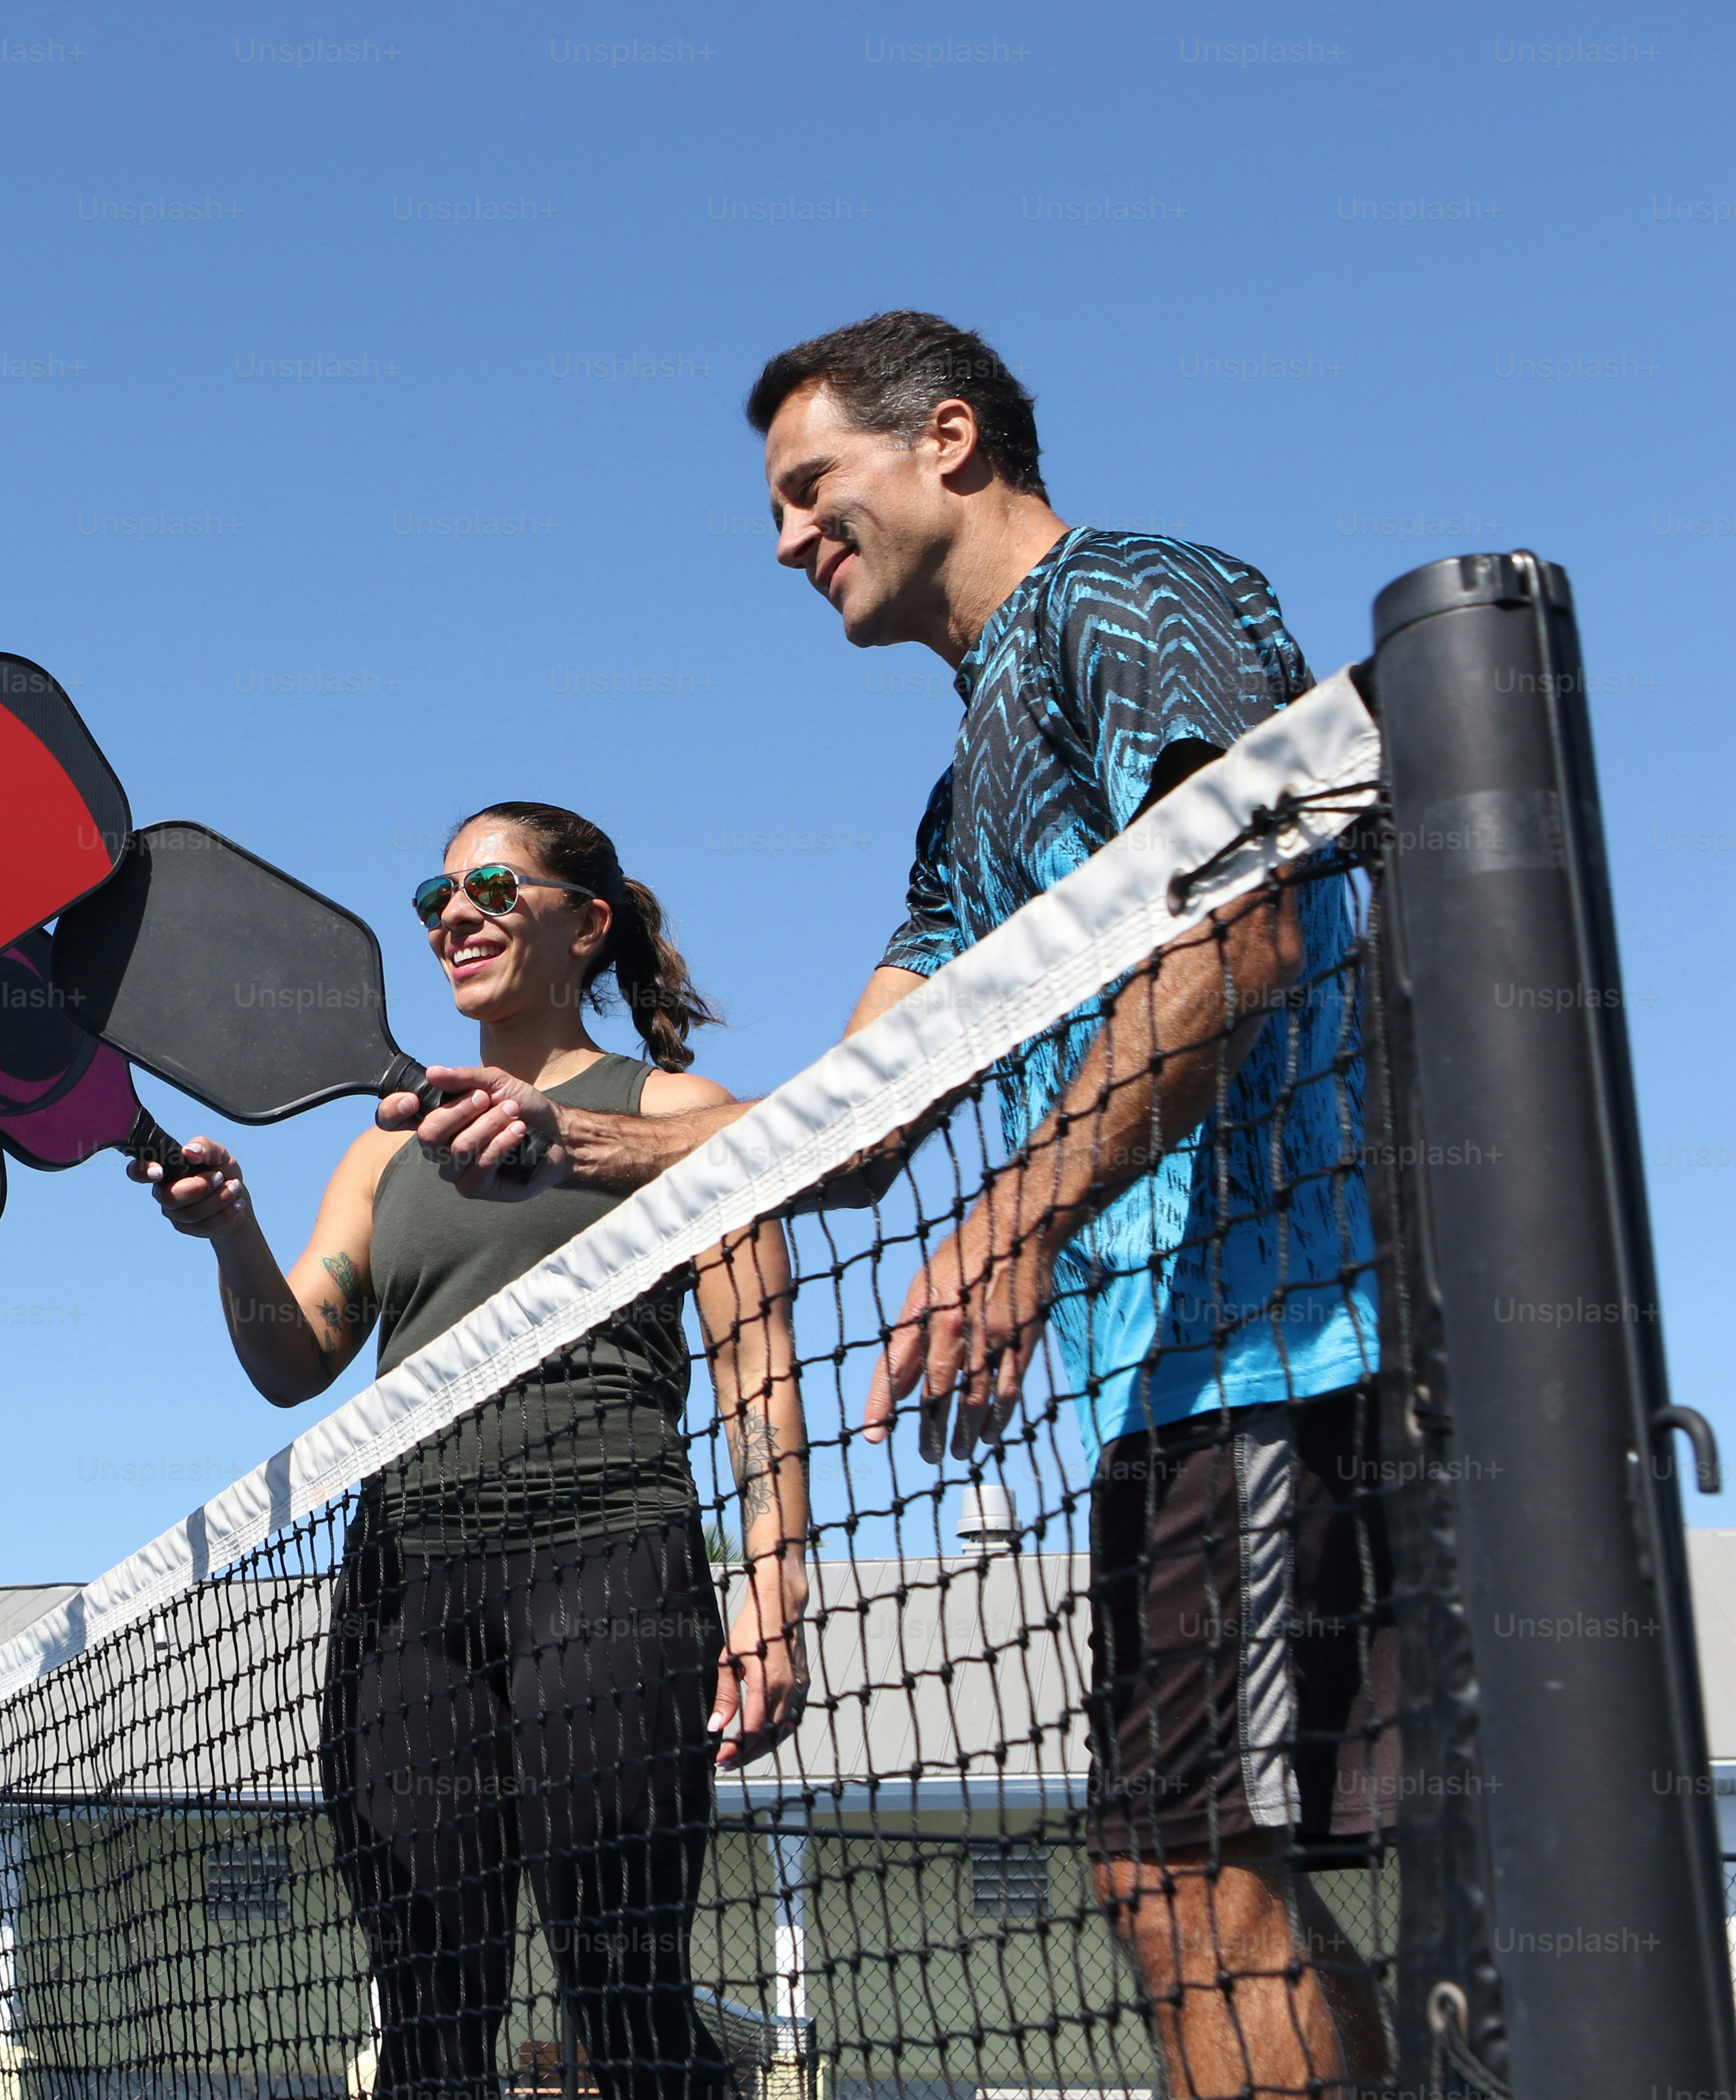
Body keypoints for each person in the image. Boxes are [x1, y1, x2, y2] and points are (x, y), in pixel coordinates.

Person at [405, 314, 1387, 2100]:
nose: (786, 540)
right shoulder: (963, 802)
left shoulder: (1129, 600)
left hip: (1313, 1330)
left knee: (1180, 1870)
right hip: (1175, 1391)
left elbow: (1243, 916)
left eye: (809, 489)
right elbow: (847, 1133)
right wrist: (565, 1140)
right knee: (1202, 1870)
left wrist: (1014, 1217)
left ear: (948, 439)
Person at [137, 803, 809, 2100]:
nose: (455, 915)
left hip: (609, 1567)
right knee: (429, 2032)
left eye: (494, 887)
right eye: (437, 896)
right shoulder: (382, 1149)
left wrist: (776, 1585)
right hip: (405, 1597)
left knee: (626, 2001)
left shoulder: (679, 1112)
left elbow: (761, 1363)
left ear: (586, 924)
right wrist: (231, 1232)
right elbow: (295, 1361)